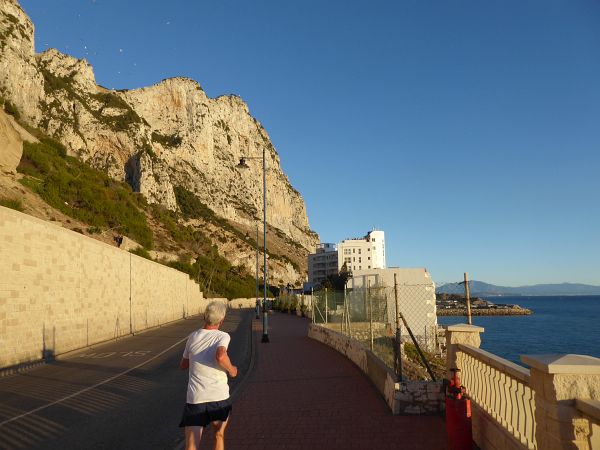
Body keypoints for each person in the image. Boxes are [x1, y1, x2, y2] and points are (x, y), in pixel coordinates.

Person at [179, 301, 238, 450]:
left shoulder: (192, 336)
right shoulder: (223, 336)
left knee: (191, 446)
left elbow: (183, 365)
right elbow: (220, 355)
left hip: (196, 399)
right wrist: (232, 370)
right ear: (222, 320)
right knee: (218, 435)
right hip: (218, 398)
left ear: (205, 317)